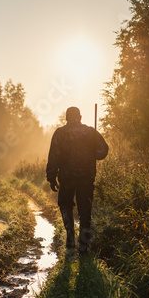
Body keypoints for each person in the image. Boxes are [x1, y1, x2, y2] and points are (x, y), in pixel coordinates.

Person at [46, 106, 108, 253]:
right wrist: (92, 151)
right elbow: (103, 151)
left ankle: (70, 237)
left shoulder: (60, 133)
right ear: (80, 117)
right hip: (86, 177)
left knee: (65, 205)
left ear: (66, 118)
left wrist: (51, 177)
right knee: (85, 210)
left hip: (66, 178)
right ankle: (84, 246)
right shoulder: (91, 132)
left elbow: (54, 156)